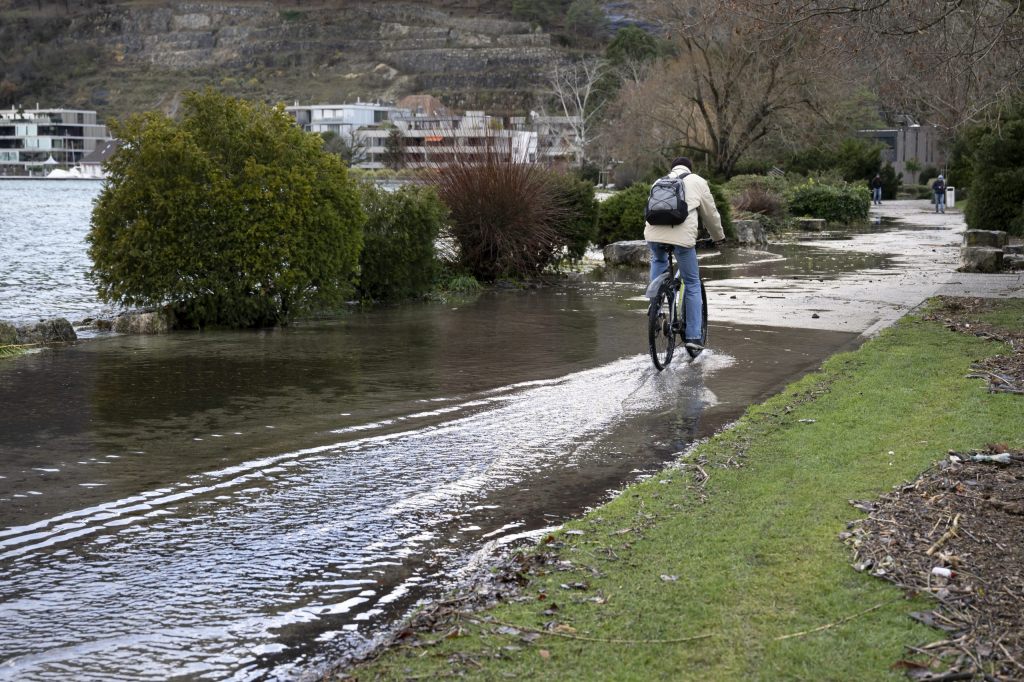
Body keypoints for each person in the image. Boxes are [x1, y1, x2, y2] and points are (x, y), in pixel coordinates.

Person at [644, 156, 726, 353]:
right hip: (682, 239)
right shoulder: (698, 181)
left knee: (659, 258)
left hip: (654, 235)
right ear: (690, 168)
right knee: (691, 282)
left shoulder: (659, 181)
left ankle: (655, 305)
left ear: (672, 169)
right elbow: (711, 214)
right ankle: (694, 337)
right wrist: (718, 237)